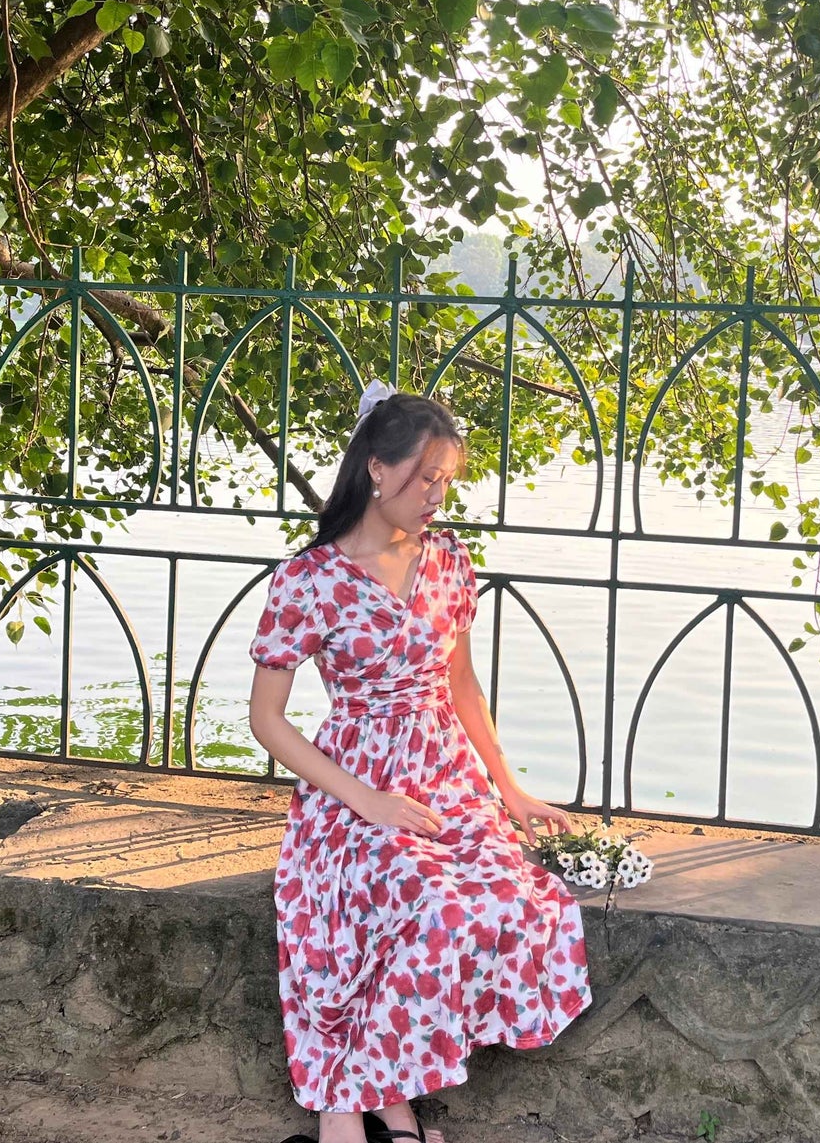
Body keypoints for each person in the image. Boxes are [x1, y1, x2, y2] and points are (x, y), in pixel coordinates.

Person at [248, 384, 591, 1143]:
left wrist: (511, 789)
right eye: (425, 477)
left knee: (518, 901)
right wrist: (366, 800)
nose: (438, 495)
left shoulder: (449, 562)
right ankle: (373, 1108)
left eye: (447, 480)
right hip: (353, 783)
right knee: (427, 902)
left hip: (446, 774)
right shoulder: (310, 580)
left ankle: (368, 1101)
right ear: (377, 467)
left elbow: (461, 684)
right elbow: (266, 719)